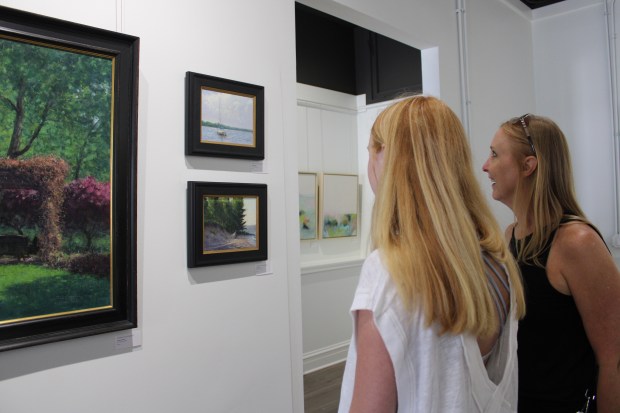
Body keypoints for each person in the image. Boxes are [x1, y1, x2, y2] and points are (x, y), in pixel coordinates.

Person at [338, 95, 526, 413]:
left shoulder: (388, 270)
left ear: (391, 159)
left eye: (373, 150)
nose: (370, 163)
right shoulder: (497, 260)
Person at [482, 114, 620, 413]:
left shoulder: (577, 243)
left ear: (528, 165)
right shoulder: (511, 236)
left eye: (494, 154)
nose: (485, 166)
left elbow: (614, 358)